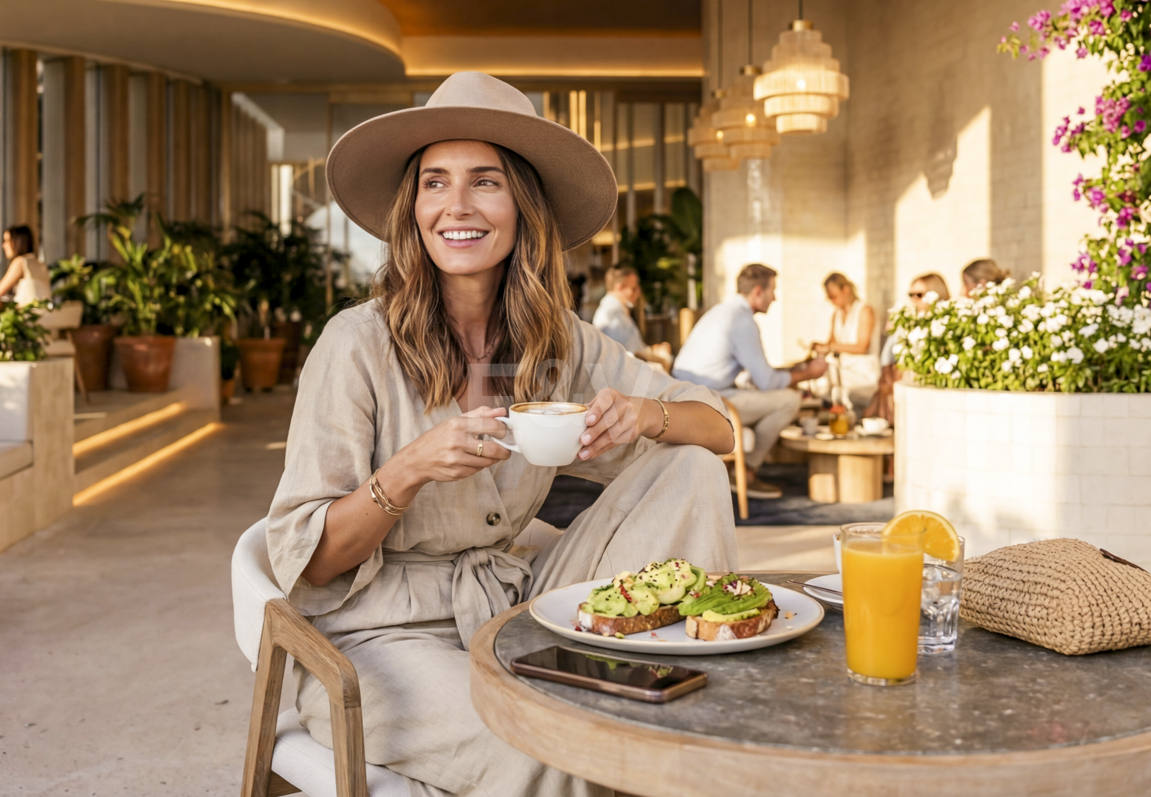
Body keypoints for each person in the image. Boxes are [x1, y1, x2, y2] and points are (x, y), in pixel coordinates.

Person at [266, 72, 738, 797]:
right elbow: (314, 561)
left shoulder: (560, 342)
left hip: (517, 604)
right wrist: (407, 471)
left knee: (691, 468)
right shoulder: (354, 344)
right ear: (413, 207)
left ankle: (668, 688)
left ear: (523, 206)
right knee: (553, 745)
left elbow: (718, 430)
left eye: (484, 181)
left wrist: (648, 415)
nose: (456, 206)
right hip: (385, 637)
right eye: (435, 182)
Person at [673, 263, 827, 499]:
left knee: (774, 396)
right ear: (757, 291)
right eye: (772, 290)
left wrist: (792, 371)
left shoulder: (721, 312)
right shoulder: (742, 321)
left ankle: (734, 468)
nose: (774, 298)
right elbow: (767, 382)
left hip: (689, 396)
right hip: (707, 403)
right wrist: (808, 374)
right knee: (789, 400)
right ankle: (745, 472)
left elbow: (758, 374)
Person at [865, 273, 951, 423]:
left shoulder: (944, 320)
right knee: (887, 380)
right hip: (899, 370)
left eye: (919, 294)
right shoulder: (909, 317)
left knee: (894, 378)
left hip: (924, 371)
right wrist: (886, 372)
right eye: (911, 295)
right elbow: (888, 349)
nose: (914, 299)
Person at [812, 272, 879, 412]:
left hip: (863, 372)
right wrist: (820, 347)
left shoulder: (865, 310)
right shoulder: (836, 314)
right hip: (841, 369)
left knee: (827, 377)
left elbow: (862, 347)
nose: (832, 301)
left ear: (846, 290)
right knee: (817, 371)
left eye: (834, 296)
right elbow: (831, 344)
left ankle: (835, 414)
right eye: (829, 298)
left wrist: (831, 347)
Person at [592, 265, 673, 370]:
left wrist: (654, 350)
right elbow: (629, 358)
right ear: (619, 287)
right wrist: (660, 358)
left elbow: (635, 349)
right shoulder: (611, 315)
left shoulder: (618, 312)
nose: (639, 292)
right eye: (634, 288)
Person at [0, 225, 51, 305]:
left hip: (29, 311)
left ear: (18, 242)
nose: (3, 245)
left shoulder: (20, 262)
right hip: (45, 310)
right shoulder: (40, 264)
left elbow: (1, 290)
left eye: (7, 240)